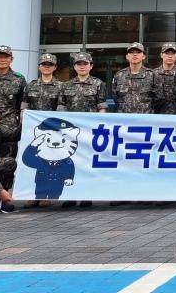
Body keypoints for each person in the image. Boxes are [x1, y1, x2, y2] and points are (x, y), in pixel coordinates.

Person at [59, 51, 104, 208]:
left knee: (87, 163)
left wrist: (98, 127)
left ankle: (86, 194)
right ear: (74, 66)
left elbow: (101, 107)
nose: (82, 66)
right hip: (70, 132)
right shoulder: (66, 85)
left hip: (89, 131)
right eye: (79, 64)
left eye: (85, 64)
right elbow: (61, 107)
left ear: (91, 66)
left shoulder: (98, 84)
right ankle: (71, 195)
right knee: (70, 162)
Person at [21, 53, 64, 208]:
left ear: (55, 67)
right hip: (33, 131)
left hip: (52, 131)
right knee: (33, 163)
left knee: (50, 164)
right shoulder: (30, 85)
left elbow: (61, 108)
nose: (47, 67)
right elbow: (24, 106)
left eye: (50, 65)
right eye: (44, 64)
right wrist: (24, 121)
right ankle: (32, 195)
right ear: (39, 67)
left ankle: (47, 194)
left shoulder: (61, 86)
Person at [113, 42, 157, 114]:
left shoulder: (152, 75)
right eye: (131, 52)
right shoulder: (119, 75)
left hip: (145, 118)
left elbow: (157, 99)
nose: (135, 54)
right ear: (127, 56)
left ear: (144, 56)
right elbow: (115, 97)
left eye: (138, 52)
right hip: (124, 118)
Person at [152, 43, 176, 114]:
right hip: (157, 115)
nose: (170, 56)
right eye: (167, 53)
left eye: (173, 53)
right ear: (161, 55)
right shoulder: (153, 74)